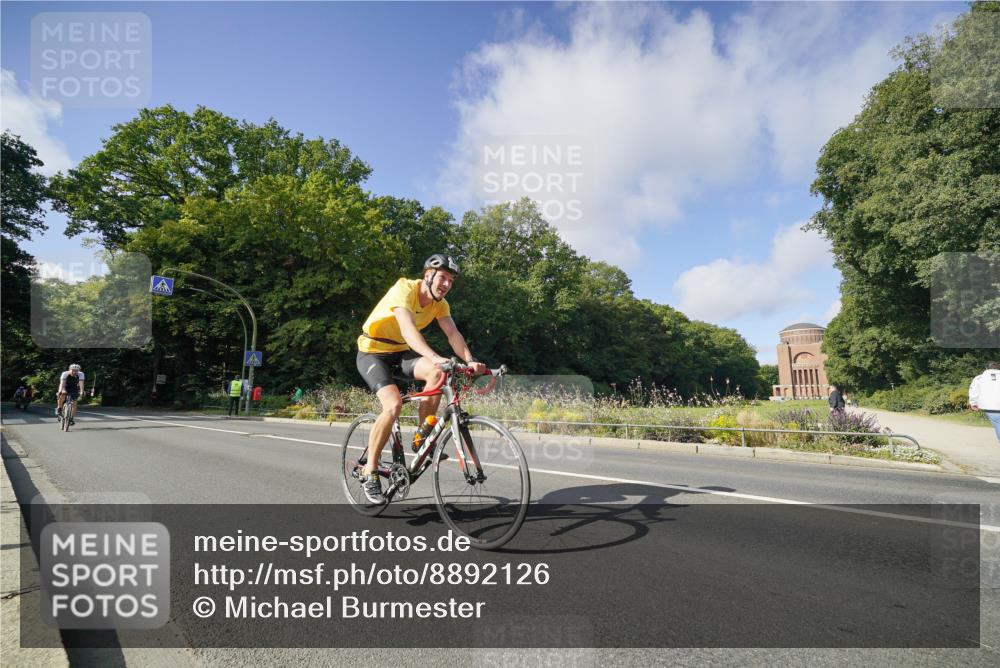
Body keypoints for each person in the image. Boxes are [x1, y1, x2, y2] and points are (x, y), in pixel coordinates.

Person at [354, 254, 485, 503]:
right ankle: (370, 470)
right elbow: (407, 329)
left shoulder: (440, 304)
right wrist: (434, 356)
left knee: (438, 373)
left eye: (451, 281)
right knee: (393, 405)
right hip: (373, 351)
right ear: (428, 275)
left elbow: (453, 333)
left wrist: (470, 360)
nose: (446, 284)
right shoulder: (404, 288)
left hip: (399, 353)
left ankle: (421, 437)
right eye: (443, 277)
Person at [969, 361, 1000, 442]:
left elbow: (974, 391)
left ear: (986, 368)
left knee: (998, 424)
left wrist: (973, 403)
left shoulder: (979, 378)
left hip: (990, 407)